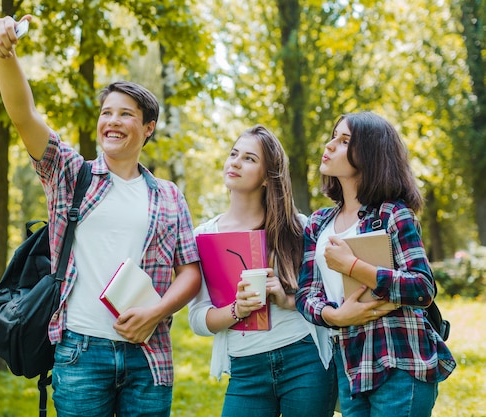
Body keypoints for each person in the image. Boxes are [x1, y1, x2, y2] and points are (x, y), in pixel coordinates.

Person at [0, 15, 202, 417]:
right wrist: (6, 54)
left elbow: (190, 273)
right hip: (80, 353)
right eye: (106, 113)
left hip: (149, 357)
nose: (112, 122)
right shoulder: (70, 174)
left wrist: (155, 313)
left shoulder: (169, 196)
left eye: (125, 114)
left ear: (148, 127)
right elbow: (24, 115)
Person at [295, 111, 456, 417]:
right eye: (333, 136)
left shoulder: (392, 215)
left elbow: (422, 288)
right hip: (351, 365)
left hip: (399, 359)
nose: (329, 146)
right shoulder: (318, 223)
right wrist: (335, 316)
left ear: (369, 155)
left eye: (344, 141)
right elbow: (305, 295)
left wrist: (352, 266)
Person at [188, 125, 336, 417]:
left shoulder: (299, 228)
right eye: (234, 154)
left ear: (269, 177)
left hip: (303, 360)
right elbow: (197, 319)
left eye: (249, 158)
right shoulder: (204, 236)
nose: (235, 162)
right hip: (246, 371)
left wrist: (285, 298)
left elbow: (327, 299)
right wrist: (236, 310)